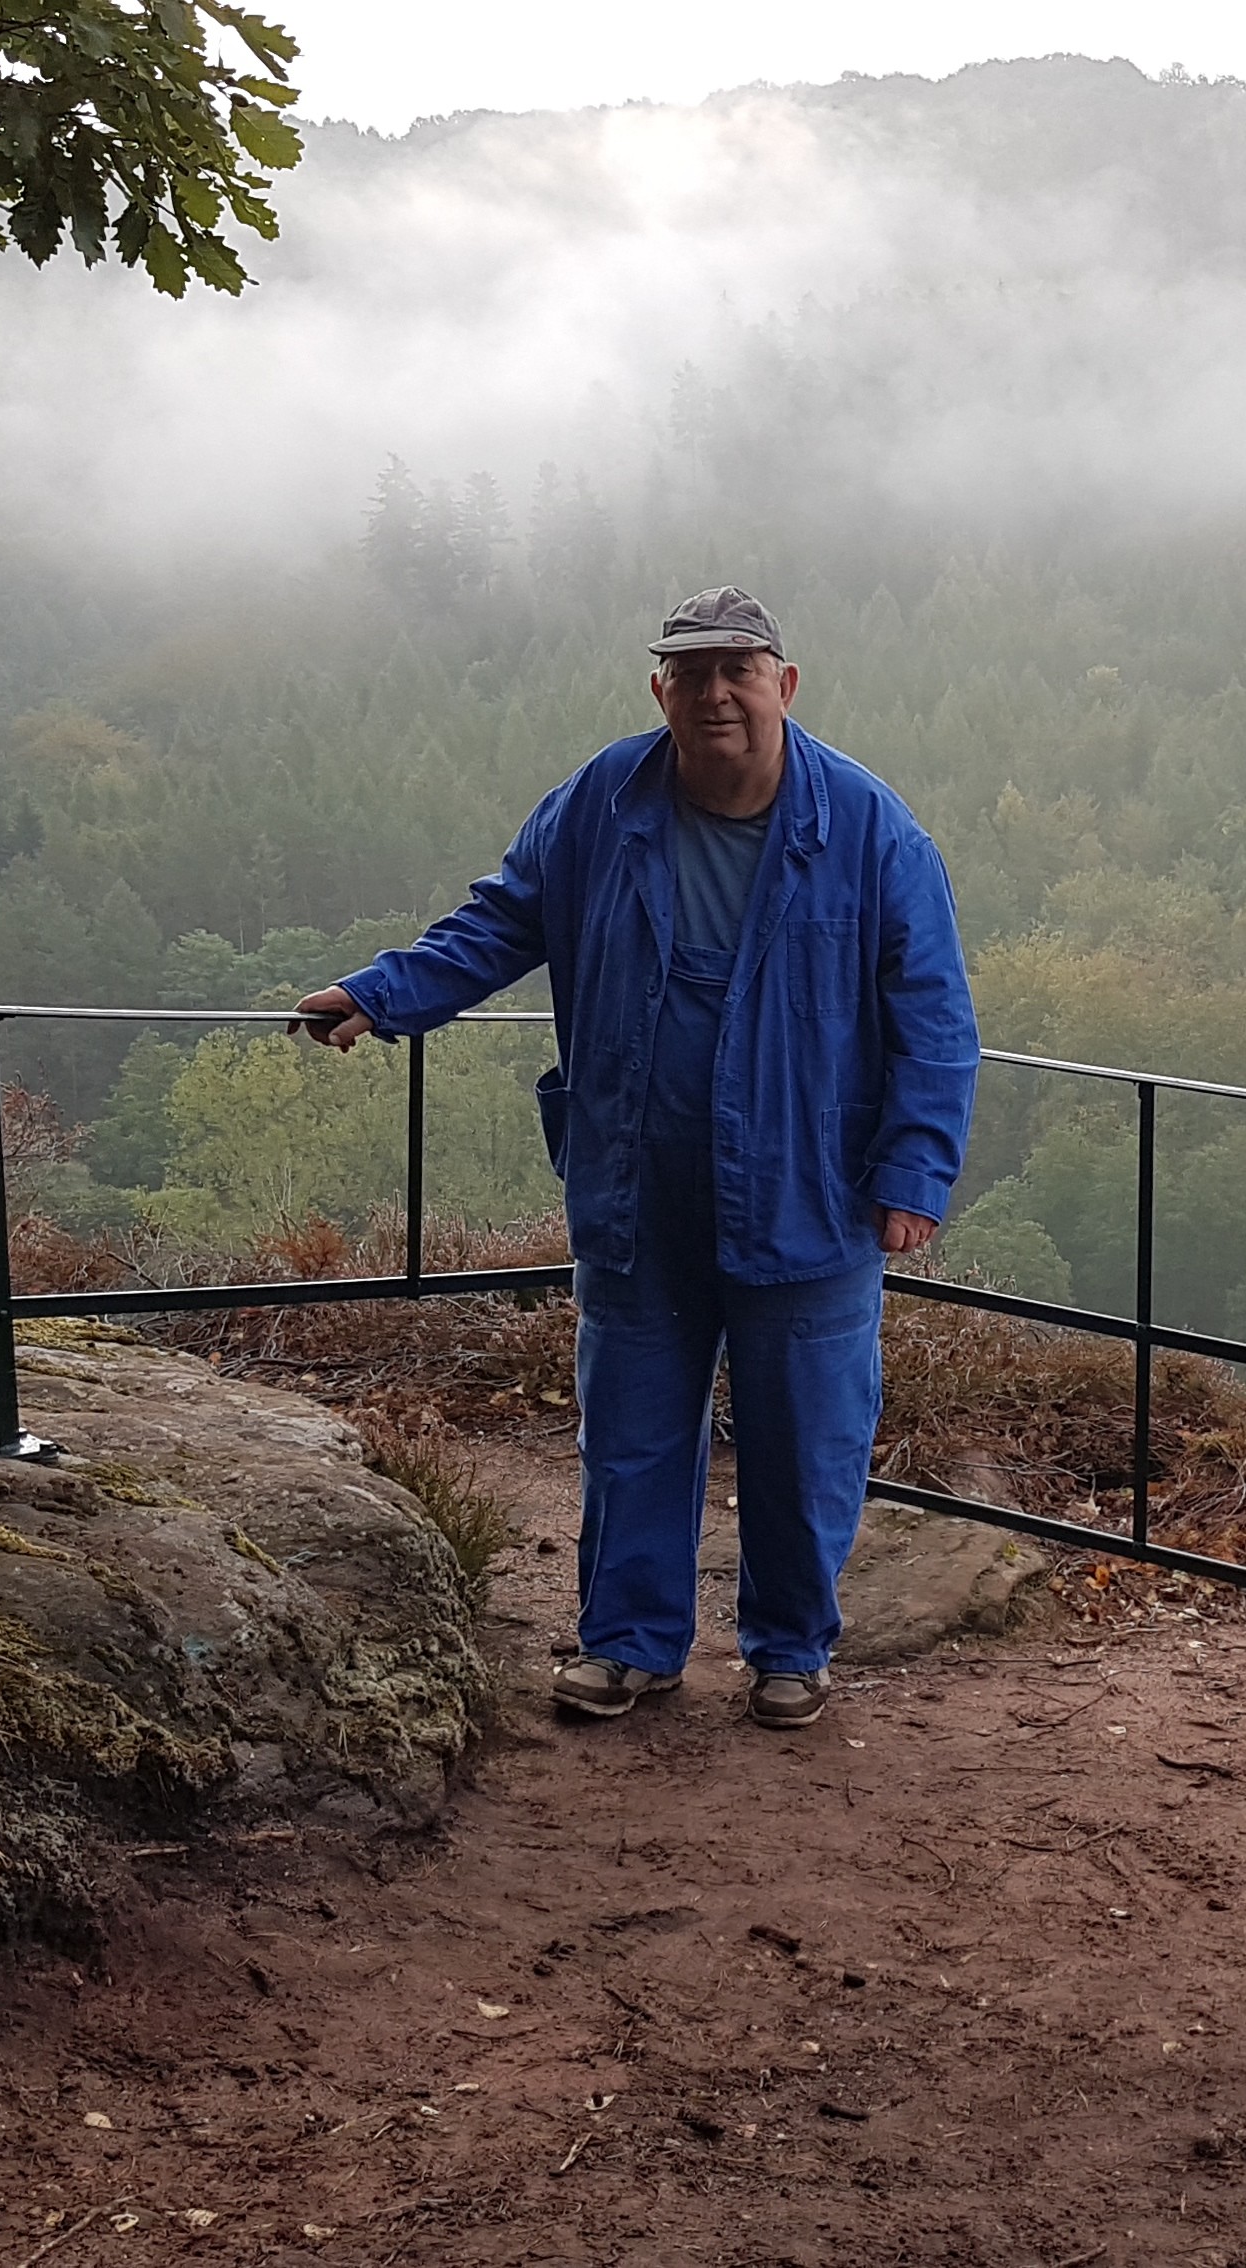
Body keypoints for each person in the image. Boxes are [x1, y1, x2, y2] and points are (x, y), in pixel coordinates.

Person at [295, 588, 978, 1732]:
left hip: (809, 1190)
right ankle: (629, 1645)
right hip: (636, 1185)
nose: (716, 693)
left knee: (805, 1437)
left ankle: (789, 1651)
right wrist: (383, 993)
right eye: (691, 672)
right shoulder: (600, 804)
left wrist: (913, 1172)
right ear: (660, 690)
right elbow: (502, 921)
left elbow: (934, 1014)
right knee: (632, 1430)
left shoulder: (869, 829)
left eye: (739, 671)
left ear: (784, 686)